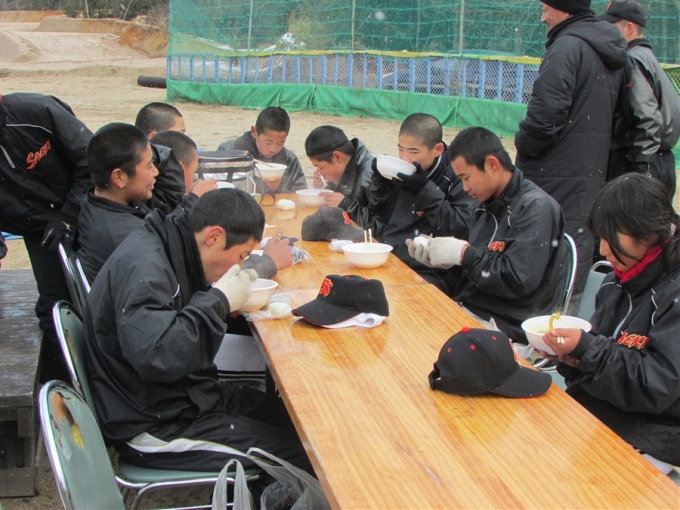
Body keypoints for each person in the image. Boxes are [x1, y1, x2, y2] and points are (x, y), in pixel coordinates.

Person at [83, 188, 312, 473]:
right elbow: (157, 356)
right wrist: (219, 300)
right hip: (153, 422)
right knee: (304, 456)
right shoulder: (146, 265)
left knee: (300, 423)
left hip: (186, 395)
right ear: (213, 237)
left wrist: (226, 299)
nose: (240, 266)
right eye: (241, 256)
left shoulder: (174, 244)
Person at [541, 173, 680, 473]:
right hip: (601, 413)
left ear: (648, 231)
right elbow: (601, 356)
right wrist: (572, 356)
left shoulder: (673, 293)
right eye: (601, 237)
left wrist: (587, 349)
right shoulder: (615, 283)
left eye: (612, 237)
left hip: (652, 436)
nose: (603, 250)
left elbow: (658, 385)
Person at [514, 0, 627, 311]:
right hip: (589, 174)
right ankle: (568, 323)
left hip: (552, 175)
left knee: (544, 256)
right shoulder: (608, 50)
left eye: (546, 8)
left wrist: (523, 144)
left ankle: (539, 330)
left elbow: (544, 120)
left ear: (564, 7)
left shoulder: (567, 47)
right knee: (574, 256)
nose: (543, 18)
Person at [408, 127, 568, 344]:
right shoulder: (485, 204)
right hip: (470, 309)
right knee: (408, 314)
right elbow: (476, 265)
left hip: (507, 325)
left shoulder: (535, 207)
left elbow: (517, 280)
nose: (465, 188)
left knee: (420, 343)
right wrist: (441, 259)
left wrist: (463, 254)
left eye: (466, 178)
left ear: (492, 164)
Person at [78, 123, 290, 285]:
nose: (156, 171)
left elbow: (170, 186)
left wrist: (146, 146)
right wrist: (268, 262)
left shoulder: (107, 203)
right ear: (119, 177)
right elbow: (193, 271)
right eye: (149, 165)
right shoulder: (128, 237)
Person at [0, 92, 93, 382]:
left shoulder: (37, 112)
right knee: (54, 306)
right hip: (36, 227)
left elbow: (91, 158)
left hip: (82, 208)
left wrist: (69, 215)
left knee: (98, 294)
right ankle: (64, 382)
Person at [364, 113, 473, 294]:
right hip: (393, 257)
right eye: (400, 149)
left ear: (438, 149)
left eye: (413, 152)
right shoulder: (404, 169)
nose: (405, 158)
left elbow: (458, 228)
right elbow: (381, 215)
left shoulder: (458, 175)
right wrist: (380, 183)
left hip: (434, 271)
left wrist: (424, 189)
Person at [598, 0, 680, 199]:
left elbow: (647, 117)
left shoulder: (631, 59)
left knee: (630, 218)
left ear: (629, 28)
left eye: (611, 26)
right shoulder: (648, 57)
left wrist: (640, 168)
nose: (605, 32)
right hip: (661, 160)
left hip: (644, 162)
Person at [217, 107, 307, 193]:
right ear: (254, 132)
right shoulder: (227, 151)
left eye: (280, 143)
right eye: (268, 142)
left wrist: (276, 189)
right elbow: (216, 190)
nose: (273, 149)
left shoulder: (289, 159)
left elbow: (299, 194)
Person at [304, 125, 374, 225]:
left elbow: (379, 226)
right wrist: (323, 188)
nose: (320, 173)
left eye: (321, 167)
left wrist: (345, 205)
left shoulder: (372, 176)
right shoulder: (345, 165)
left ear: (337, 157)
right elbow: (340, 194)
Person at [150, 130, 217, 202]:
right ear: (179, 168)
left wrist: (187, 194)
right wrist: (196, 195)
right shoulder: (167, 202)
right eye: (194, 171)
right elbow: (175, 208)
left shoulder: (149, 196)